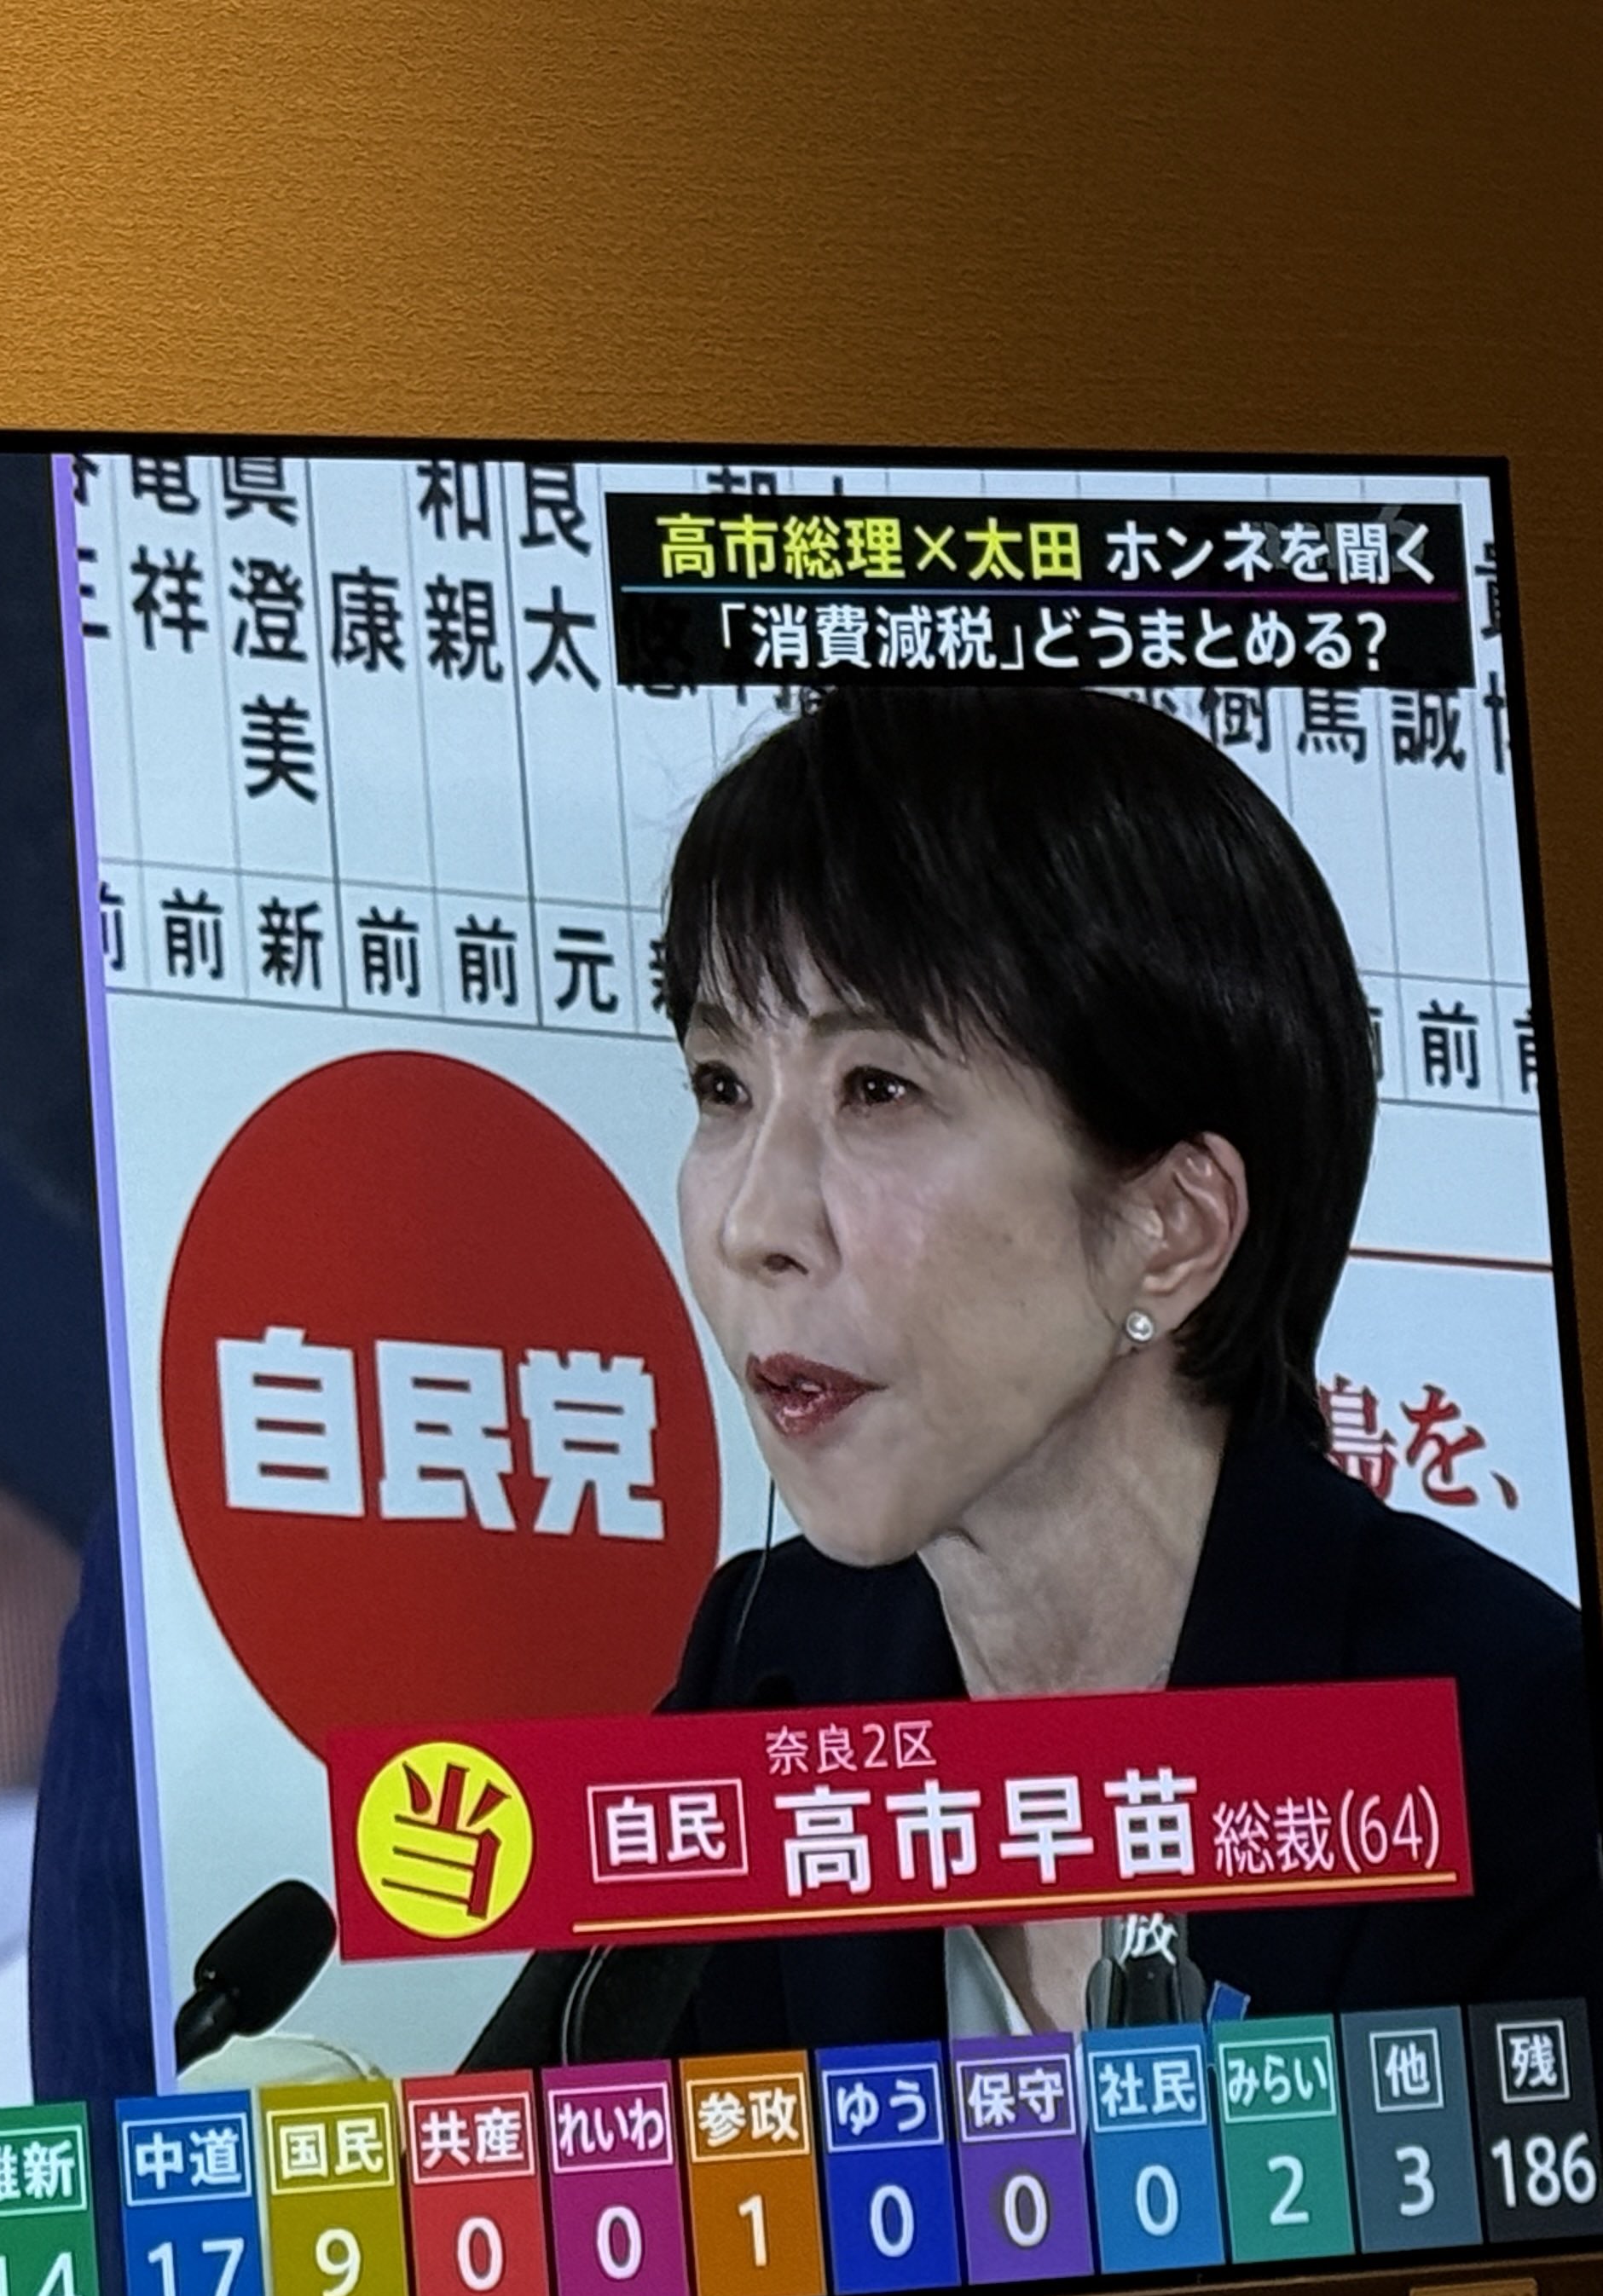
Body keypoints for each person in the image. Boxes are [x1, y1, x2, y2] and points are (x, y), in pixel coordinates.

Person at [513, 686, 1603, 2063]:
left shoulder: (1515, 1746)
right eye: (722, 1085)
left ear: (1171, 1227)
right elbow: (554, 2148)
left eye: (877, 1090)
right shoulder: (774, 1664)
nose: (753, 1225)